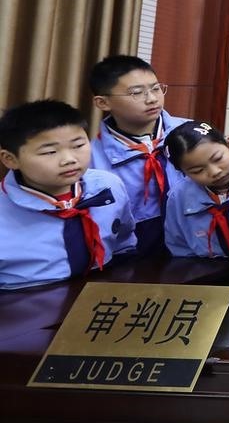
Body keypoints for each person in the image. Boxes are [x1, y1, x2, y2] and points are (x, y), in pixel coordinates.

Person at [0, 100, 134, 289]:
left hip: (100, 289)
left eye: (78, 145)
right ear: (10, 159)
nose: (69, 160)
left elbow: (123, 243)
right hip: (23, 297)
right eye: (50, 152)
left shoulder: (108, 185)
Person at [88, 55, 190, 257]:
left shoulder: (192, 133)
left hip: (198, 248)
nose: (152, 99)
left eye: (156, 88)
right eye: (136, 93)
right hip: (131, 256)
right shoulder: (90, 158)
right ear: (103, 102)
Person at [164, 120, 229, 263]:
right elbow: (180, 249)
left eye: (218, 159)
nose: (215, 172)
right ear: (183, 172)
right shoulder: (178, 198)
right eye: (197, 171)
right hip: (208, 272)